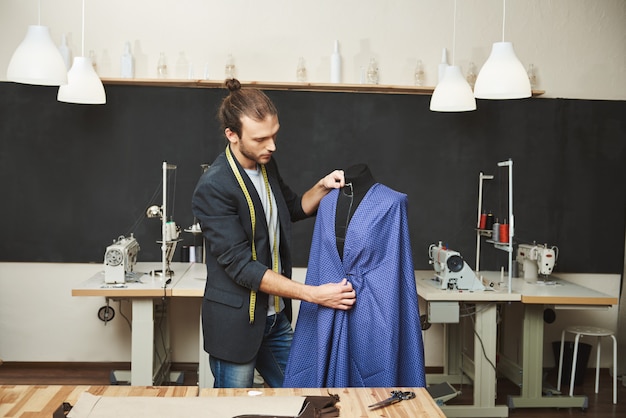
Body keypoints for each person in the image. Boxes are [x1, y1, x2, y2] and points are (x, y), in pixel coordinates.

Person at [191, 78, 357, 388]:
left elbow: (293, 207)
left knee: (305, 396)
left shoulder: (265, 164)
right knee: (232, 411)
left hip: (274, 320)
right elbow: (242, 267)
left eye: (274, 135)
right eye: (260, 139)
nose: (272, 146)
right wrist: (315, 294)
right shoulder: (214, 187)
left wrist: (324, 185)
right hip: (235, 328)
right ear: (232, 135)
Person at [283, 164, 426, 388]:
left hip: (374, 307)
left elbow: (394, 267)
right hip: (328, 301)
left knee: (373, 380)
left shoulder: (392, 203)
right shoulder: (327, 203)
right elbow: (322, 260)